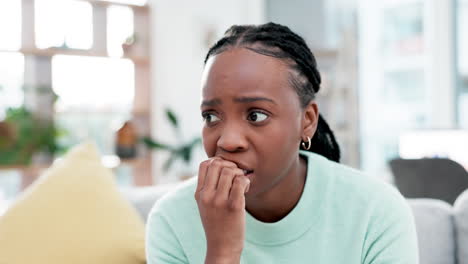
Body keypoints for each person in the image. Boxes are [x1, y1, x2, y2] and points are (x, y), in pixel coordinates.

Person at [146, 22, 419, 264]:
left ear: (307, 121)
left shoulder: (376, 212)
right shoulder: (172, 220)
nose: (228, 141)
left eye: (256, 115)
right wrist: (223, 251)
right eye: (211, 116)